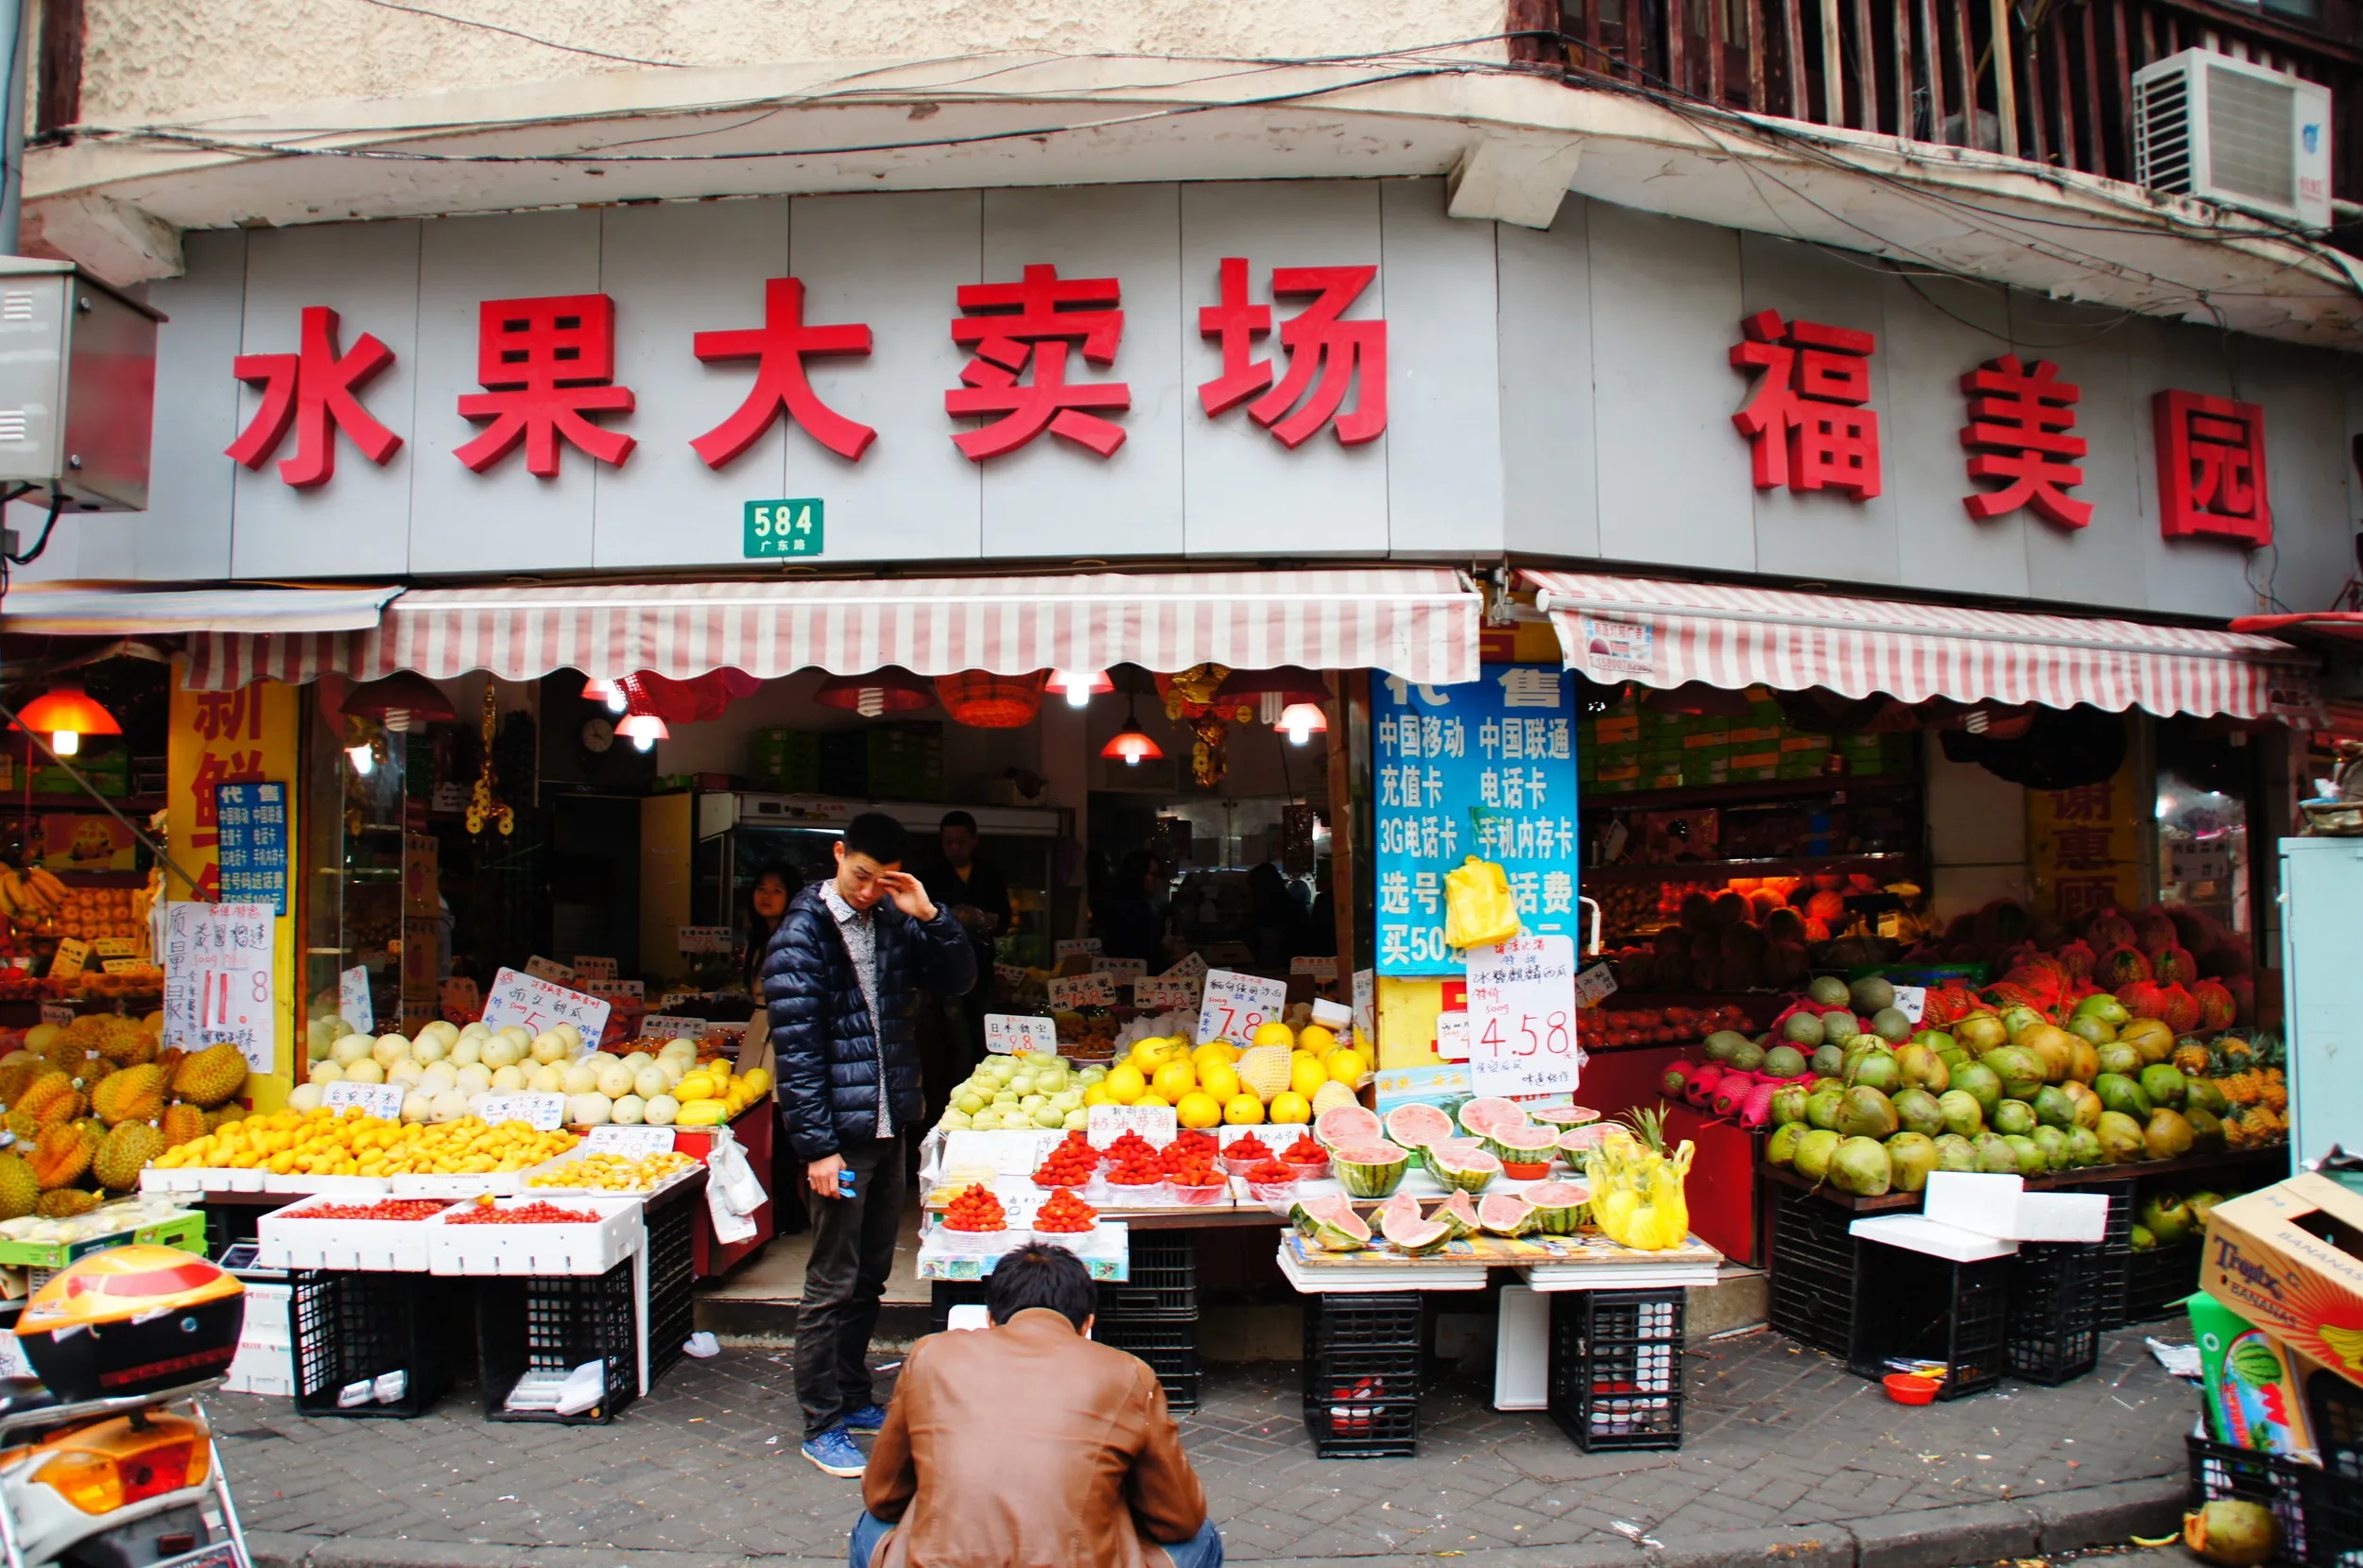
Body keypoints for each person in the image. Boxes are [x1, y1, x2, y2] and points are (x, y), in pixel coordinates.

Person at [766, 811, 977, 1477]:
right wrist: (817, 1149)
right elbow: (797, 1056)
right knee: (831, 1280)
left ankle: (854, 1396)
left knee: (869, 1277)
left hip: (890, 1128)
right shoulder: (800, 936)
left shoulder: (891, 919)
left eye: (879, 881)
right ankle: (820, 1421)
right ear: (838, 854)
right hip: (841, 1140)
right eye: (859, 876)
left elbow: (958, 981)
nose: (865, 891)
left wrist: (930, 914)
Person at [851, 1243, 1221, 1568]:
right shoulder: (1127, 1372)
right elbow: (1179, 1518)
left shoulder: (932, 1355)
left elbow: (883, 1497)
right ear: (1087, 1325)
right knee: (1200, 1534)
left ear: (990, 1319)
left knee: (875, 1524)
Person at [740, 863, 803, 998]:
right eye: (761, 889)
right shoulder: (758, 939)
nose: (766, 896)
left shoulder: (797, 941)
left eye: (776, 891)